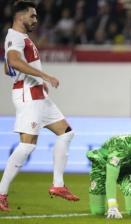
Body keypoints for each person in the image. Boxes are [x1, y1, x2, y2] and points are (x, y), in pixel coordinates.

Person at [0, 1, 79, 212]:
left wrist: (33, 77)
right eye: (32, 16)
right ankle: (1, 192)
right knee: (27, 146)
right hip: (29, 97)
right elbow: (14, 61)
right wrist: (44, 75)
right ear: (20, 17)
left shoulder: (20, 39)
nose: (36, 20)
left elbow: (9, 68)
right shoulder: (15, 37)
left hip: (38, 95)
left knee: (66, 133)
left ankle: (58, 185)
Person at [87, 121, 131, 219]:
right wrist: (112, 207)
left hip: (127, 171)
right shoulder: (121, 145)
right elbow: (111, 178)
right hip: (102, 168)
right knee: (97, 212)